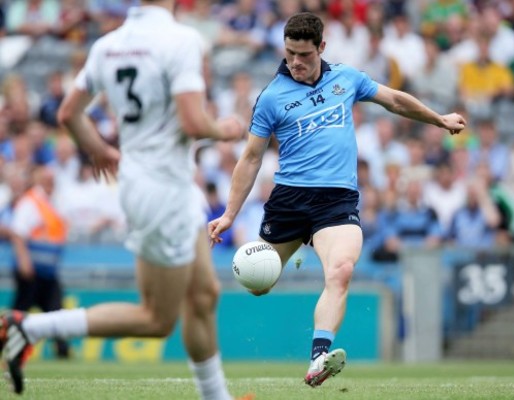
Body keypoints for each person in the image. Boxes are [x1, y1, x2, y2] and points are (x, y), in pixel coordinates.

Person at [0, 1, 246, 399]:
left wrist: (97, 148)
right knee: (156, 319)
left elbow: (68, 113)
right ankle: (28, 328)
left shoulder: (108, 45)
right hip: (162, 189)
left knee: (203, 295)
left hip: (161, 184)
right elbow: (192, 121)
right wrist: (226, 128)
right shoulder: (182, 40)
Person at [208, 12, 466, 388]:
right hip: (290, 200)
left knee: (341, 269)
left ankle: (318, 358)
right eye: (290, 53)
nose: (295, 62)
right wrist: (230, 214)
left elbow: (394, 100)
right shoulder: (271, 97)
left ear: (321, 48)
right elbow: (250, 158)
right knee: (257, 283)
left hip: (337, 201)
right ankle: (292, 251)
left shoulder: (347, 78)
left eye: (304, 55)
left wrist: (439, 119)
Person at [9, 166, 70, 359]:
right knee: (21, 311)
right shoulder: (31, 201)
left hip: (47, 271)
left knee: (57, 311)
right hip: (32, 269)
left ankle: (62, 350)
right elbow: (18, 233)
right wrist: (24, 261)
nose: (51, 183)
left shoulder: (53, 201)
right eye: (47, 179)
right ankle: (7, 343)